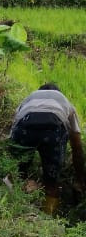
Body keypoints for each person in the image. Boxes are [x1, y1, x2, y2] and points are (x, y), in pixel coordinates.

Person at [8, 83, 86, 215]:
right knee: (51, 183)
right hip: (53, 130)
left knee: (16, 175)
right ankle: (47, 219)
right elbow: (76, 146)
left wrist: (12, 162)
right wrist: (80, 179)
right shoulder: (65, 101)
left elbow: (12, 134)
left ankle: (12, 211)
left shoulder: (28, 99)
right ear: (58, 92)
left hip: (25, 125)